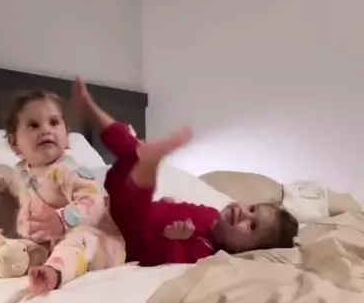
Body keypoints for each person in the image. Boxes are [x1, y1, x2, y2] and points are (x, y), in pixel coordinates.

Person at [73, 79, 299, 266]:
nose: (244, 214)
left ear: (246, 251)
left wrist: (170, 239)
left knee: (138, 179)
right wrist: (166, 204)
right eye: (252, 208)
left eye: (252, 226)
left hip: (127, 236)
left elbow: (154, 259)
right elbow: (178, 208)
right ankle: (90, 109)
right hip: (123, 210)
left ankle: (150, 163)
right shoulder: (211, 213)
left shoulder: (204, 251)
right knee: (133, 152)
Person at [0, 91, 125, 294]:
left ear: (67, 136)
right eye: (34, 125)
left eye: (54, 122)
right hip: (44, 244)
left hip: (97, 245)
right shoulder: (22, 172)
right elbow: (18, 188)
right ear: (15, 143)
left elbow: (93, 200)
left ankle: (54, 273)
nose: (46, 130)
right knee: (10, 245)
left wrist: (63, 219)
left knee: (77, 241)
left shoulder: (67, 170)